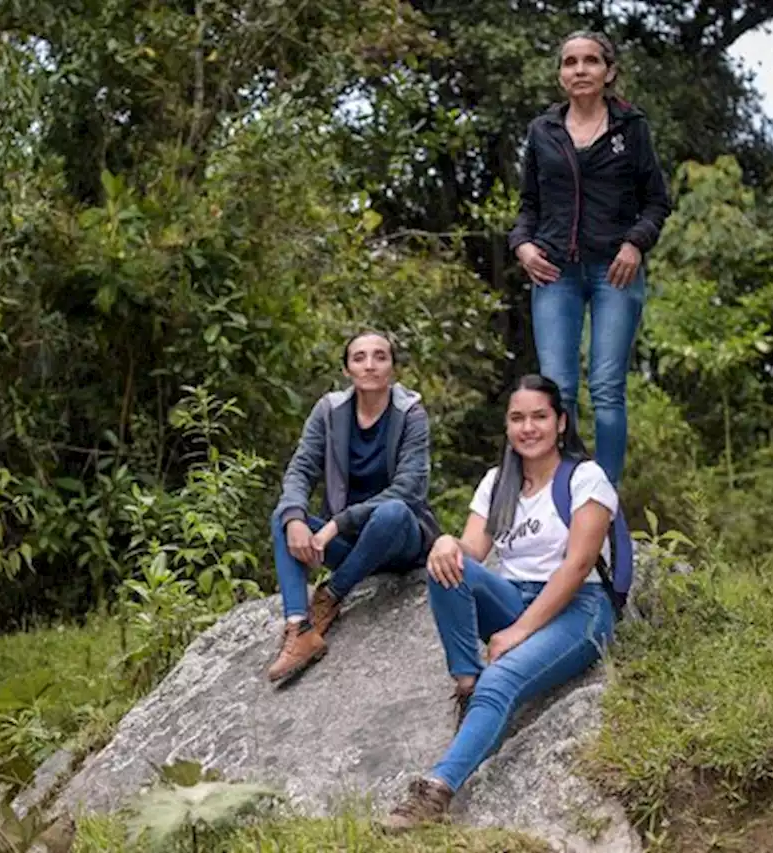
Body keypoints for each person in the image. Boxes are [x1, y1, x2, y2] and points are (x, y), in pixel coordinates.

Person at [382, 374, 617, 830]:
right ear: (507, 427)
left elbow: (577, 564)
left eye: (539, 417)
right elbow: (473, 550)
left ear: (561, 423)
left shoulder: (586, 478)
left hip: (579, 606)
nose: (528, 428)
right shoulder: (498, 481)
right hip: (515, 595)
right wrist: (447, 542)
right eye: (517, 418)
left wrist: (519, 631)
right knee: (445, 563)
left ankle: (436, 792)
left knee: (502, 681)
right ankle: (467, 683)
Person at [508, 31, 672, 486]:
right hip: (553, 270)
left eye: (590, 61)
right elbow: (528, 206)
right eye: (570, 62)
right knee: (556, 391)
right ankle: (564, 490)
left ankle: (604, 498)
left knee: (606, 388)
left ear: (609, 71)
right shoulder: (544, 131)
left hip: (614, 272)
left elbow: (657, 201)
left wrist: (635, 243)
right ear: (561, 75)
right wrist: (522, 245)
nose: (580, 70)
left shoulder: (631, 128)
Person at [266, 331, 440, 685]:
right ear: (347, 369)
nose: (370, 365)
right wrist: (296, 517)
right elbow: (300, 469)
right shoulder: (329, 411)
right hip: (350, 546)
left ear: (392, 367)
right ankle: (299, 627)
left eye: (380, 356)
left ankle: (331, 595)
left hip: (401, 541)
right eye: (359, 358)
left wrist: (337, 523)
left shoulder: (410, 414)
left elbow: (408, 490)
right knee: (284, 518)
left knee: (391, 512)